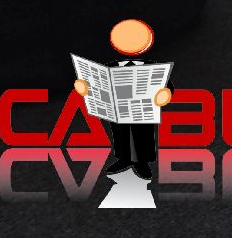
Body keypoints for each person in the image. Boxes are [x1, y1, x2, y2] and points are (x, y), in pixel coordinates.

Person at [74, 18, 173, 180]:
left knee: (143, 134)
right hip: (118, 108)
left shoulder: (151, 67)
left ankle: (141, 162)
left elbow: (165, 84)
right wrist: (85, 89)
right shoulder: (110, 67)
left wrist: (165, 94)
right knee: (121, 133)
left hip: (142, 109)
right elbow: (97, 84)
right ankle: (124, 158)